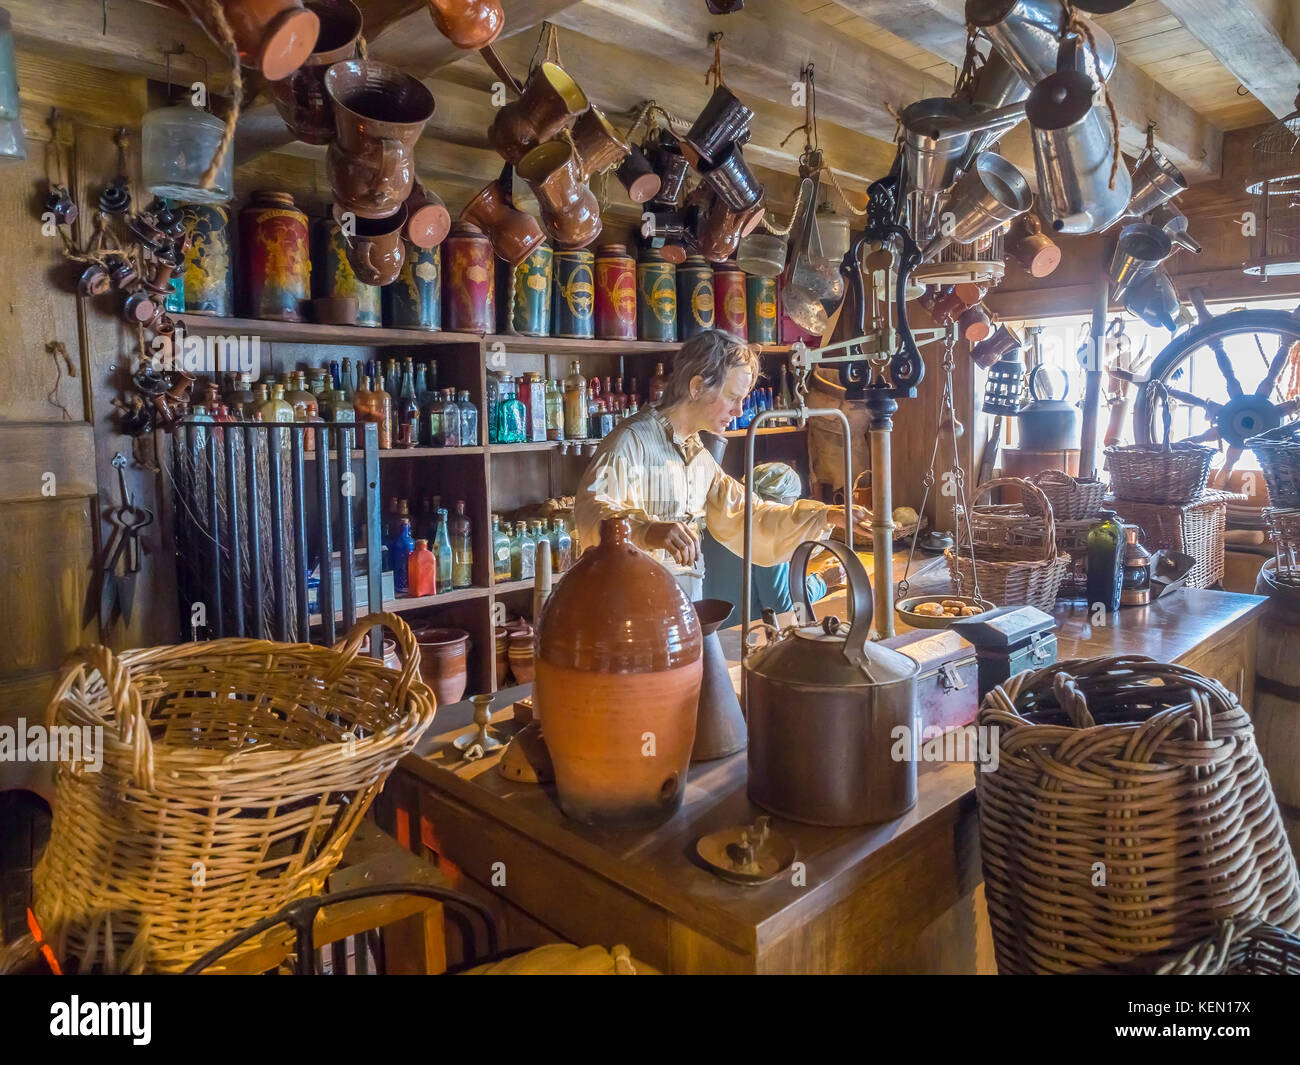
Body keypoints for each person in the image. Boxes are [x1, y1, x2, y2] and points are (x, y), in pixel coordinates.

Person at [574, 330, 863, 599]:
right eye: (733, 397)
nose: (739, 410)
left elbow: (749, 516)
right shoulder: (631, 441)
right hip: (632, 608)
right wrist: (648, 530)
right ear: (698, 386)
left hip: (684, 602)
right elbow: (591, 512)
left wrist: (825, 516)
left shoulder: (697, 454)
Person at [701, 462, 840, 621]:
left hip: (710, 633)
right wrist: (821, 581)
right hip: (749, 636)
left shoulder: (716, 519)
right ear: (782, 502)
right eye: (793, 503)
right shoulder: (771, 536)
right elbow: (783, 607)